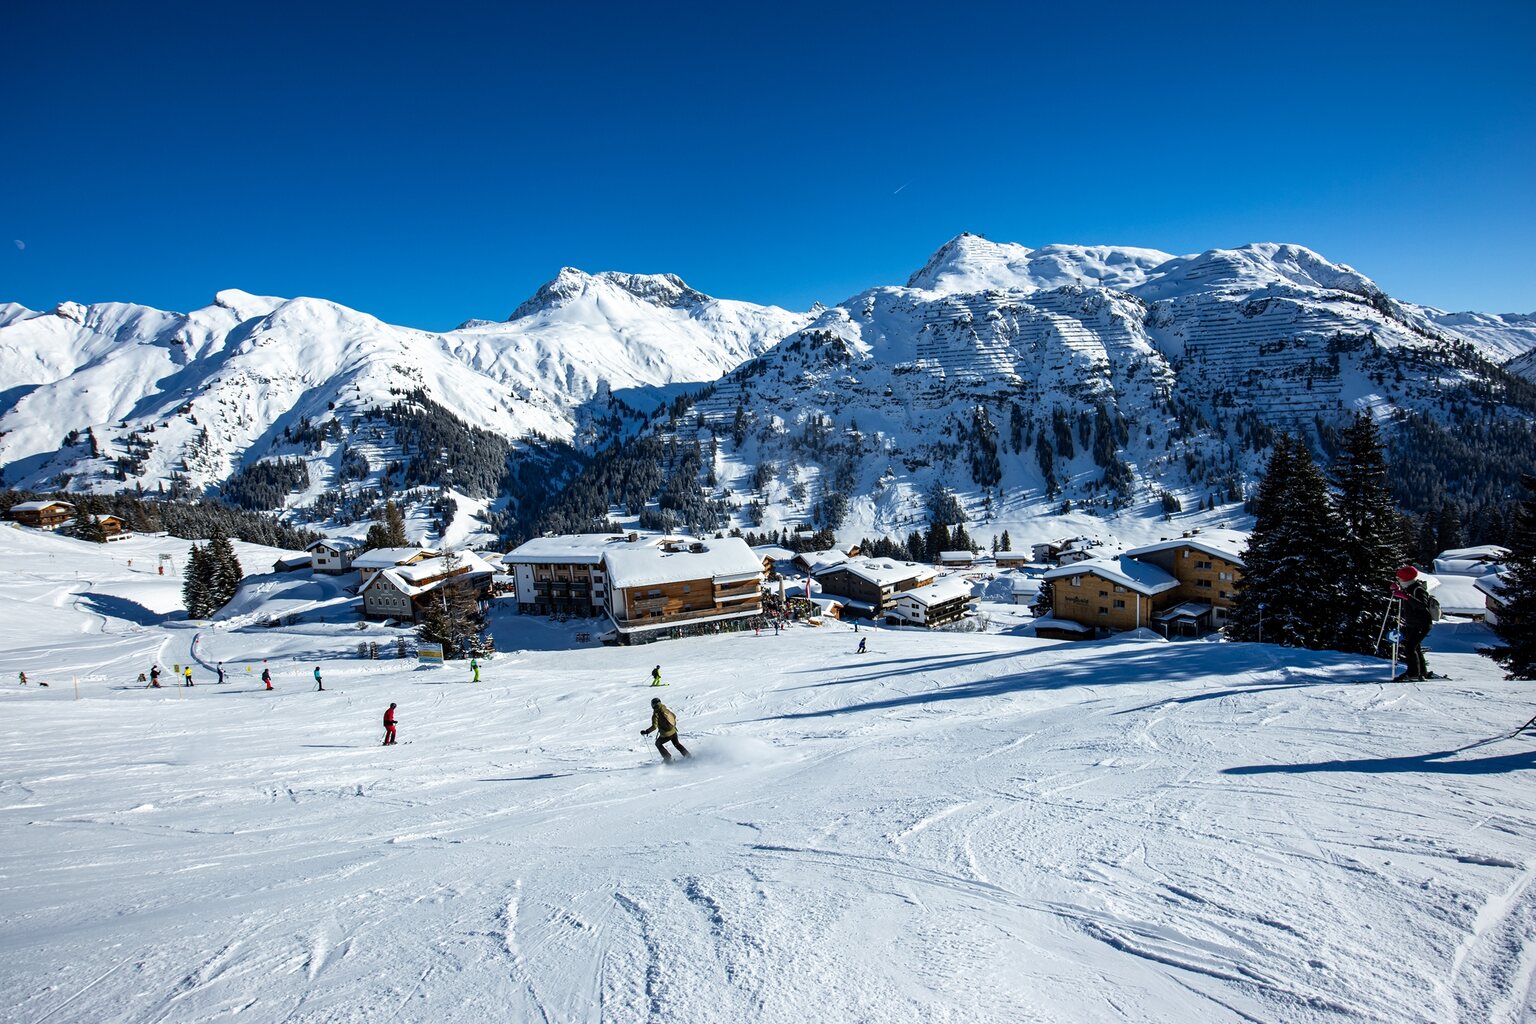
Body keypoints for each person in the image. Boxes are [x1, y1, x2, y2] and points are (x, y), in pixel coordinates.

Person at [1394, 566, 1434, 681]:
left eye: (1400, 577)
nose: (1398, 579)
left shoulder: (1418, 589)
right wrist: (1398, 592)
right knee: (1415, 648)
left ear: (1406, 578)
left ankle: (1413, 673)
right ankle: (1422, 672)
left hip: (1422, 624)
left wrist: (1405, 596)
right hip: (1413, 624)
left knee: (1410, 647)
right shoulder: (1409, 587)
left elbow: (1422, 605)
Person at [641, 697, 689, 763]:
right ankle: (688, 756)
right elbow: (674, 716)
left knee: (658, 743)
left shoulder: (656, 714)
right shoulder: (665, 709)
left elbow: (654, 726)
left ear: (653, 705)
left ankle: (667, 758)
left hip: (666, 734)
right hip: (674, 731)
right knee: (677, 744)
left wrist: (646, 731)